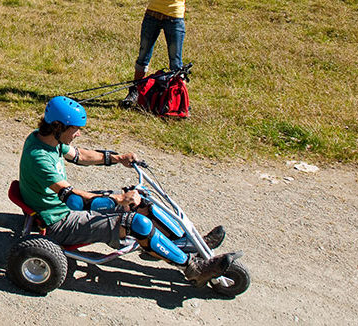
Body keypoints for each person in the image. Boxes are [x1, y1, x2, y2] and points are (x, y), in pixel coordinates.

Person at [18, 96, 234, 284]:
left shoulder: (47, 139)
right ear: (58, 127)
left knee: (143, 201)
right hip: (59, 221)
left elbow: (80, 155)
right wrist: (119, 199)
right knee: (137, 223)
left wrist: (117, 158)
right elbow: (75, 200)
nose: (78, 134)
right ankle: (194, 270)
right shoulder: (40, 158)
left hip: (64, 208)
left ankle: (186, 243)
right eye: (75, 129)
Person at [122, 0, 202, 106]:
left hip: (174, 17)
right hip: (153, 13)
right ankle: (135, 91)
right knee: (143, 54)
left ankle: (176, 99)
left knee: (175, 60)